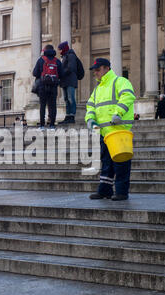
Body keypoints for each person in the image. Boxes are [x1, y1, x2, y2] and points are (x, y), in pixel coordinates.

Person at [85, 58, 136, 201]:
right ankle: (105, 191)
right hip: (104, 133)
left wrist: (118, 113)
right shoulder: (97, 89)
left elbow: (128, 96)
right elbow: (90, 106)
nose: (95, 72)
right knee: (107, 164)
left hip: (119, 131)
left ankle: (121, 192)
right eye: (94, 70)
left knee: (121, 162)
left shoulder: (120, 81)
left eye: (98, 69)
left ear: (106, 68)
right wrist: (90, 119)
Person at [32, 44, 63, 130]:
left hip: (43, 86)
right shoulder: (57, 61)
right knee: (53, 105)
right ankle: (52, 125)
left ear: (45, 50)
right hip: (53, 86)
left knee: (42, 105)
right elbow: (61, 74)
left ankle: (42, 125)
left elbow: (35, 73)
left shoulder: (41, 60)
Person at [58, 41, 78, 124]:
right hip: (65, 81)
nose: (59, 51)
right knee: (66, 99)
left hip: (70, 81)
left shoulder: (71, 56)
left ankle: (72, 116)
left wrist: (61, 72)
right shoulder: (64, 56)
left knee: (71, 98)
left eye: (60, 49)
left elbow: (71, 68)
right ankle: (68, 115)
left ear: (63, 49)